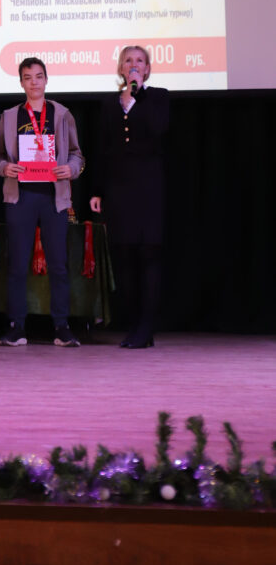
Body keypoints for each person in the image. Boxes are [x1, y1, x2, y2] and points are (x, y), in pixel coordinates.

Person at [0, 58, 85, 348]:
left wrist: (71, 169)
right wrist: (4, 168)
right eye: (28, 77)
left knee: (58, 265)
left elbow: (77, 154)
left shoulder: (62, 114)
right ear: (21, 82)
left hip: (54, 197)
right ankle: (16, 326)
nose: (34, 82)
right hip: (21, 196)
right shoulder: (9, 116)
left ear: (46, 79)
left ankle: (61, 326)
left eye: (39, 76)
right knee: (18, 265)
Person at [89, 45, 170, 349]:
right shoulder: (109, 103)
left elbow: (158, 129)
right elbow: (103, 148)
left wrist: (137, 99)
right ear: (121, 68)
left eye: (139, 61)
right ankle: (135, 324)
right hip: (118, 187)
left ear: (147, 69)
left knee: (148, 253)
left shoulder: (158, 97)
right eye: (128, 60)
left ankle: (146, 327)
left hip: (148, 187)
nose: (134, 65)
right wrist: (97, 190)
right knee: (124, 256)